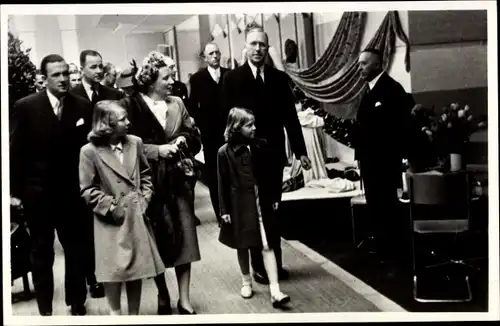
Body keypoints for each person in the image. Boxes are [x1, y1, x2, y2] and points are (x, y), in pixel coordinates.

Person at [222, 28, 312, 285]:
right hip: (245, 158)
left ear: (267, 47)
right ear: (246, 47)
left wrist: (301, 151)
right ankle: (258, 265)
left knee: (272, 210)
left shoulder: (278, 78)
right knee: (252, 210)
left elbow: (290, 118)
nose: (258, 49)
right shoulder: (233, 79)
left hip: (272, 156)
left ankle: (276, 262)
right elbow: (226, 120)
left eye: (262, 44)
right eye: (253, 44)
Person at [120, 51, 202, 315]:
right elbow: (124, 145)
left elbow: (193, 133)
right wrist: (157, 150)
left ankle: (185, 298)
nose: (171, 81)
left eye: (172, 76)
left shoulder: (177, 103)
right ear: (151, 79)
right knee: (155, 241)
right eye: (166, 77)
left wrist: (183, 140)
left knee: (186, 238)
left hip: (178, 180)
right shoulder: (132, 105)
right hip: (148, 183)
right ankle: (163, 292)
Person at [10, 54, 89, 316]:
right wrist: (15, 194)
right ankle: (45, 308)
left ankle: (77, 301)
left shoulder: (81, 106)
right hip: (39, 195)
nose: (64, 79)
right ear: (44, 78)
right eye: (56, 74)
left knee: (76, 249)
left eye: (66, 73)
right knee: (42, 253)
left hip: (72, 194)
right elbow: (15, 152)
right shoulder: (26, 107)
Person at [79, 100, 165, 315]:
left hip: (136, 214)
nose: (128, 122)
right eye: (122, 119)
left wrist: (145, 199)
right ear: (107, 125)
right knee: (113, 271)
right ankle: (115, 314)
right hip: (110, 220)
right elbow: (87, 189)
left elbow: (146, 174)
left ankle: (133, 315)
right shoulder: (89, 152)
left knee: (136, 269)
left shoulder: (134, 143)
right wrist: (112, 208)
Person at [218, 107, 291, 308]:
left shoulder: (260, 146)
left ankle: (275, 290)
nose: (254, 128)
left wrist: (274, 195)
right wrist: (224, 210)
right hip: (238, 206)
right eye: (249, 125)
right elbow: (222, 183)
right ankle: (246, 281)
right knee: (242, 244)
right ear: (236, 127)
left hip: (260, 203)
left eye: (254, 124)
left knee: (267, 244)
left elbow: (269, 175)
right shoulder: (224, 153)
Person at [70, 49, 124, 298]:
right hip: (86, 167)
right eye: (93, 67)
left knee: (112, 219)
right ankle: (94, 277)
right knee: (86, 227)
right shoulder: (71, 97)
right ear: (82, 69)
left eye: (101, 66)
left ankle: (115, 270)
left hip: (112, 167)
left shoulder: (113, 95)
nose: (99, 71)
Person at [352, 48, 414, 258]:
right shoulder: (370, 89)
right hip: (370, 160)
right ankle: (382, 246)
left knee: (386, 205)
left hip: (384, 161)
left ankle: (390, 251)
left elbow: (400, 125)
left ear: (378, 65)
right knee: (376, 205)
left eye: (364, 64)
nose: (359, 68)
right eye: (360, 63)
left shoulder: (391, 89)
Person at [189, 42, 230, 225]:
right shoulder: (198, 79)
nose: (215, 56)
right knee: (214, 175)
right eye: (211, 53)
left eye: (217, 52)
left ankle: (233, 211)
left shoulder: (229, 75)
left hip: (229, 133)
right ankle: (221, 213)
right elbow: (192, 106)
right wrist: (202, 124)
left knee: (231, 172)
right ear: (204, 58)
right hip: (210, 135)